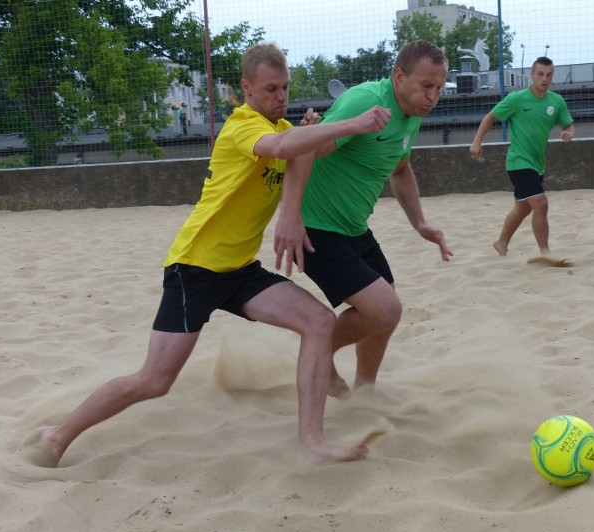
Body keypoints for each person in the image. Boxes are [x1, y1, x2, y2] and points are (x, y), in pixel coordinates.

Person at [32, 43, 391, 467]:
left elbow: (299, 152)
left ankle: (312, 443)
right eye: (271, 88)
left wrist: (309, 136)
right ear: (247, 88)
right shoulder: (242, 124)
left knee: (318, 321)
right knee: (154, 381)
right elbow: (281, 148)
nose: (281, 96)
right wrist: (352, 122)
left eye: (286, 88)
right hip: (195, 269)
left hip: (240, 270)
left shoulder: (279, 125)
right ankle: (58, 435)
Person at [274, 40, 452, 399]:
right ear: (399, 76)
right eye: (426, 86)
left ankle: (365, 391)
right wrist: (289, 217)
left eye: (439, 88)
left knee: (386, 312)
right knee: (384, 309)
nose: (433, 96)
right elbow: (305, 149)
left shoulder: (412, 114)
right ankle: (318, 351)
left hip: (353, 228)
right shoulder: (367, 101)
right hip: (315, 229)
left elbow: (400, 169)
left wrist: (419, 223)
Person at [469, 56, 574, 258]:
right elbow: (490, 117)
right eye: (540, 74)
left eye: (549, 75)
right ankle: (545, 252)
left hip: (537, 164)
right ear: (532, 75)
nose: (544, 78)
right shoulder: (516, 99)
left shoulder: (556, 101)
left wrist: (570, 132)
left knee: (523, 208)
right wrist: (477, 141)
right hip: (518, 162)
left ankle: (501, 242)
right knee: (541, 203)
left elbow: (568, 124)